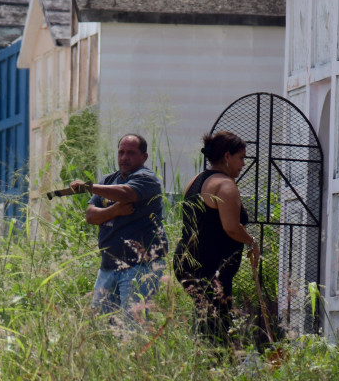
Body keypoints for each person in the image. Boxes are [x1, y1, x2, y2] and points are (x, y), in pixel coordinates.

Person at [172, 130, 260, 345]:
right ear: (227, 156)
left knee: (206, 319)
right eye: (241, 158)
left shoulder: (195, 181)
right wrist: (251, 242)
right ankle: (214, 367)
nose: (243, 164)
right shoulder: (225, 185)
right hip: (210, 267)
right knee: (217, 325)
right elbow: (231, 227)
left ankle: (204, 365)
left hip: (186, 261)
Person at [70, 134, 167, 318]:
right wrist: (114, 211)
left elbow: (126, 193)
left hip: (139, 267)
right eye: (121, 152)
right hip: (108, 267)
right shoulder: (108, 181)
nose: (124, 157)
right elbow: (91, 216)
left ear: (144, 157)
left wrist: (90, 187)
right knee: (102, 328)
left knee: (134, 328)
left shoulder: (147, 179)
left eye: (131, 153)